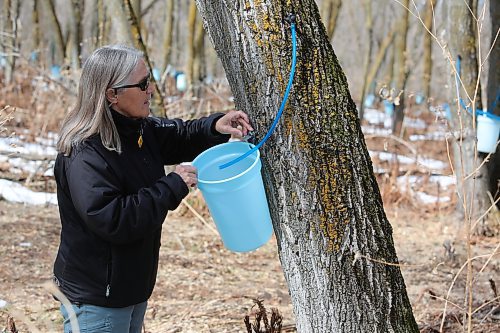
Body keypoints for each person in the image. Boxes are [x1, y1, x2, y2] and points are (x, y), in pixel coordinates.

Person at [52, 44, 253, 333]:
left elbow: (179, 135)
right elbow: (113, 218)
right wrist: (172, 186)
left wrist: (215, 126)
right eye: (143, 84)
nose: (152, 90)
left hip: (129, 289)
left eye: (150, 80)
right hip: (97, 298)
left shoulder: (138, 129)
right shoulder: (85, 152)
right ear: (112, 95)